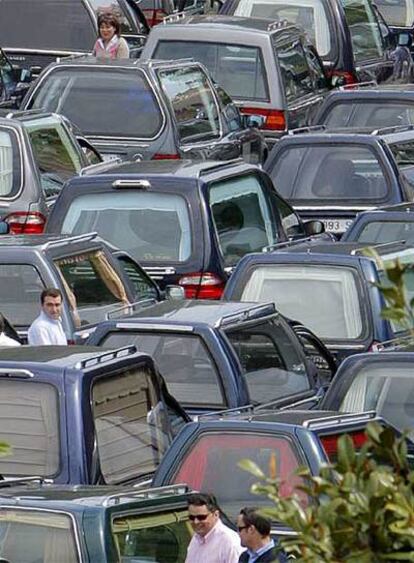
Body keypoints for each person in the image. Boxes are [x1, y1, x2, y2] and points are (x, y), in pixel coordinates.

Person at [185, 493, 244, 563]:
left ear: (216, 515)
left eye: (201, 517)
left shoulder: (230, 542)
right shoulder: (196, 539)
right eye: (191, 517)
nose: (196, 522)